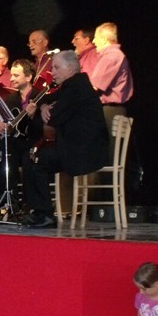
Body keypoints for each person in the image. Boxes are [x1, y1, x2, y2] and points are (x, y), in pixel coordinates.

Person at [21, 50, 109, 227]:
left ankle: (44, 213)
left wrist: (39, 113)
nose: (52, 72)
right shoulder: (73, 85)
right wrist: (43, 106)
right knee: (31, 157)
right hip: (75, 147)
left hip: (83, 152)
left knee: (36, 159)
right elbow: (43, 99)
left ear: (70, 68)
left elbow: (55, 118)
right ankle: (38, 211)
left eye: (56, 67)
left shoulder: (76, 88)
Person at [0, 59, 43, 212]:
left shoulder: (40, 96)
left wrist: (33, 116)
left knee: (15, 152)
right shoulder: (12, 98)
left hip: (35, 142)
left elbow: (43, 127)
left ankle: (24, 205)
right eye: (11, 75)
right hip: (16, 144)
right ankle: (9, 202)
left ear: (29, 77)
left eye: (16, 75)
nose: (11, 79)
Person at [90, 22, 134, 130]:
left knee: (105, 140)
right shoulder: (116, 55)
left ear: (104, 40)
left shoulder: (111, 56)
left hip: (110, 112)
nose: (93, 41)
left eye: (96, 37)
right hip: (115, 111)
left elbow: (93, 87)